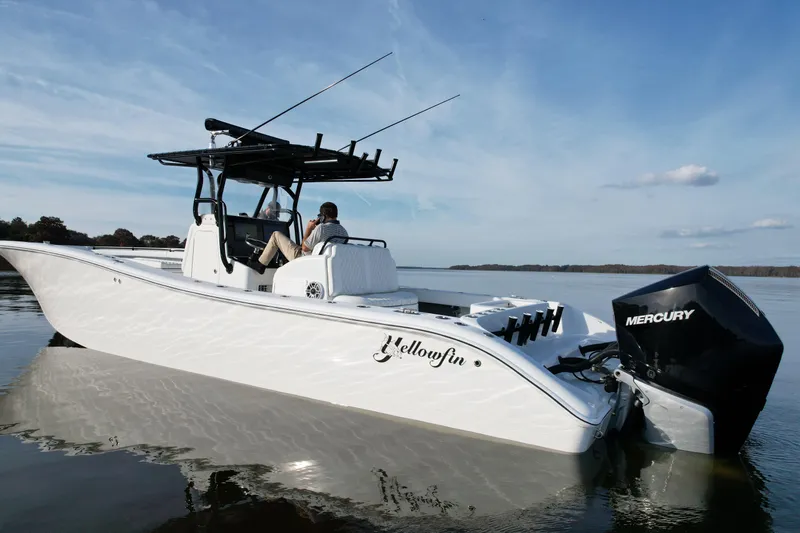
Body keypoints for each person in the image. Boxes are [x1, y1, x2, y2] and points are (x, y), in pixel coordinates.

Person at [249, 201, 348, 273]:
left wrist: (309, 229)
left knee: (276, 235)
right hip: (321, 265)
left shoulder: (321, 228)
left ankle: (260, 265)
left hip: (304, 260)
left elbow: (305, 248)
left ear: (322, 216)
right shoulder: (344, 232)